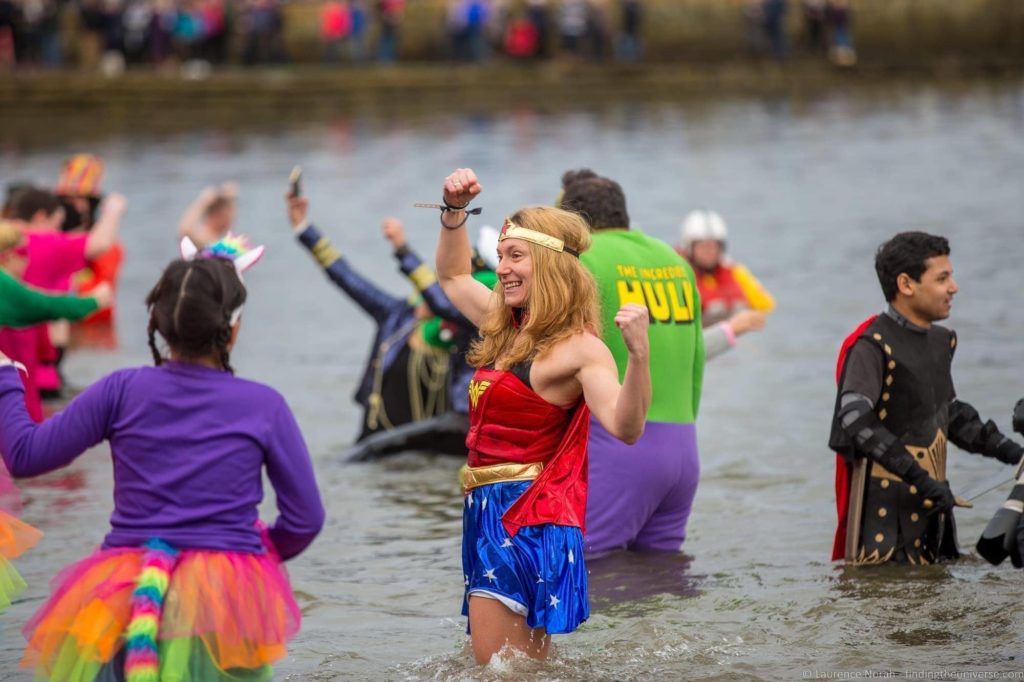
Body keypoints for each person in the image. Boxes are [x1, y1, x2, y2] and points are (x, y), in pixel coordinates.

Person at [0, 239, 325, 680]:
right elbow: (305, 519)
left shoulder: (119, 390)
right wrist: (250, 553)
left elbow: (24, 454)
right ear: (232, 328)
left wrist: (5, 377)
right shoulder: (264, 405)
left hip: (123, 591)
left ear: (158, 322)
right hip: (224, 597)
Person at [435, 168, 651, 664]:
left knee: (497, 671)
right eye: (500, 257)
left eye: (516, 257)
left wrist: (638, 357)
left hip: (523, 516)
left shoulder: (580, 350)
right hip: (484, 508)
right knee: (522, 667)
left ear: (551, 268)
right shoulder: (502, 325)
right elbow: (451, 276)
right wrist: (453, 212)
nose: (503, 268)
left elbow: (626, 426)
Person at [829, 232, 1023, 564]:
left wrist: (1014, 453)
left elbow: (949, 414)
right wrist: (920, 478)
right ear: (906, 284)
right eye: (942, 278)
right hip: (884, 531)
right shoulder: (871, 344)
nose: (954, 287)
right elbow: (853, 418)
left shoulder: (941, 340)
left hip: (936, 517)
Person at [559, 172, 704, 555]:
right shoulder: (677, 262)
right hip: (683, 445)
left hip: (617, 444)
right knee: (661, 581)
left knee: (593, 576)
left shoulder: (580, 260)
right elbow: (697, 360)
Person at [286, 194, 467, 454]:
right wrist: (304, 229)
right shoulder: (395, 315)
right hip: (376, 440)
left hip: (424, 446)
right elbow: (346, 277)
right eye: (428, 286)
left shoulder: (460, 329)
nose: (429, 293)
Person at [677, 208, 773, 355]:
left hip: (735, 340)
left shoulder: (736, 273)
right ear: (690, 247)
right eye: (703, 246)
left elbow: (766, 306)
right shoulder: (679, 277)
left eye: (714, 246)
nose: (710, 252)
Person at [177, 181, 239, 249]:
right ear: (218, 214)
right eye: (229, 215)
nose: (232, 220)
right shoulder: (206, 238)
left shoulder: (217, 239)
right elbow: (184, 231)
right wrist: (203, 201)